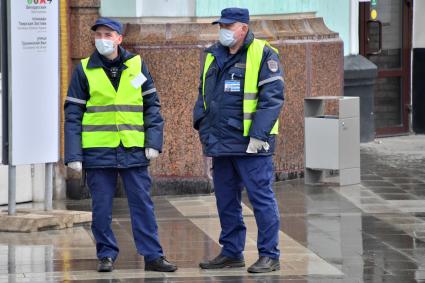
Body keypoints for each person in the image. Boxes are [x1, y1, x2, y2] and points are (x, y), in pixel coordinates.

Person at [64, 17, 177, 273]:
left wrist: (153, 142)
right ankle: (105, 254)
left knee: (142, 204)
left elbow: (152, 107)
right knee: (101, 207)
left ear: (119, 39)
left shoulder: (137, 65)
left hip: (133, 148)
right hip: (97, 150)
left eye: (107, 34)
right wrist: (73, 154)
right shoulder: (84, 70)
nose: (102, 39)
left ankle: (153, 256)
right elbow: (73, 114)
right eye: (98, 34)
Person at [193, 8, 285, 273]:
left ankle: (270, 254)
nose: (223, 30)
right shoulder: (212, 55)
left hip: (251, 144)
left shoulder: (263, 53)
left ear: (243, 28)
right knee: (225, 200)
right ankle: (232, 251)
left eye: (228, 26)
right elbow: (204, 94)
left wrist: (258, 135)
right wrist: (201, 121)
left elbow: (273, 98)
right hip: (221, 142)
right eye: (221, 25)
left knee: (261, 199)